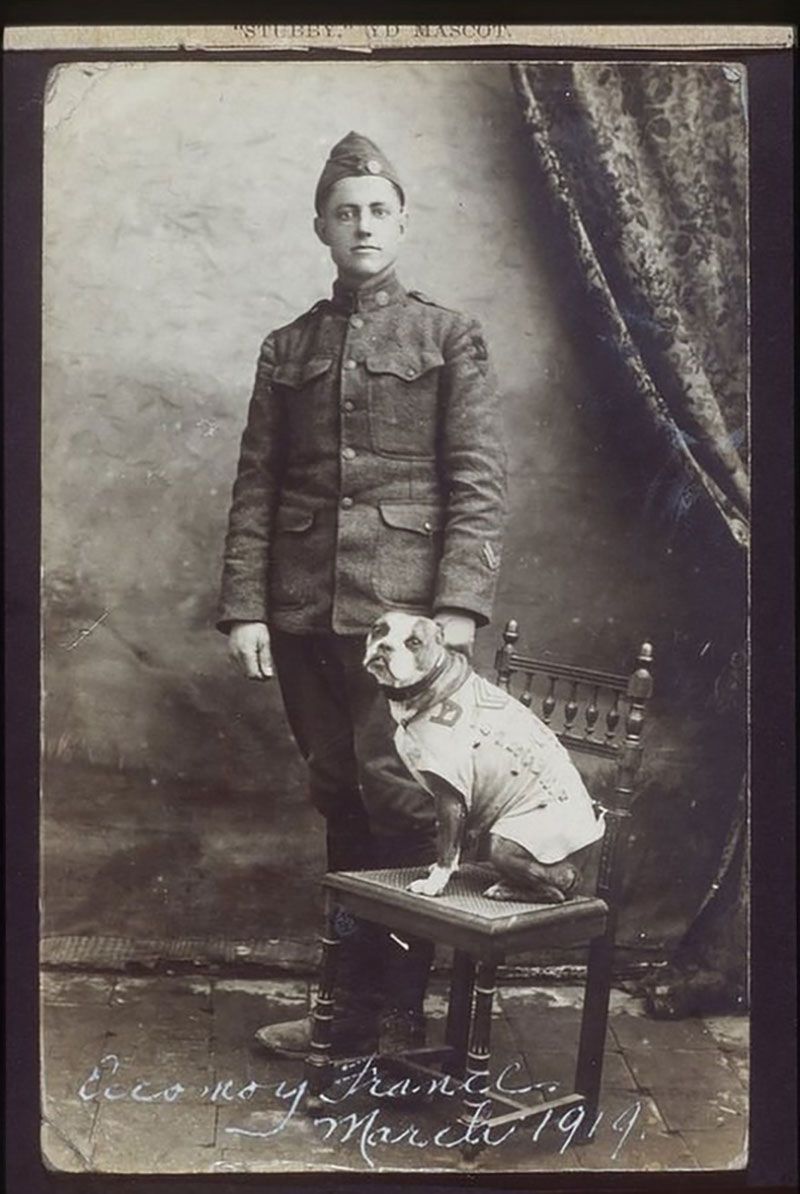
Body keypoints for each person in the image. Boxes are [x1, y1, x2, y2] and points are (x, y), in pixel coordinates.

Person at [218, 131, 506, 1056]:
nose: (363, 226)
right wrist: (246, 609)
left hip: (411, 624)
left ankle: (398, 1005)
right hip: (303, 611)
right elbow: (257, 484)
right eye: (345, 212)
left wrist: (458, 605)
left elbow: (476, 479)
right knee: (338, 789)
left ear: (404, 223)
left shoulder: (447, 335)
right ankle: (345, 1005)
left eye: (378, 210)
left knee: (408, 800)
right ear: (320, 229)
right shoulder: (287, 346)